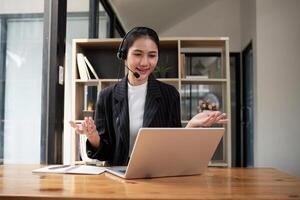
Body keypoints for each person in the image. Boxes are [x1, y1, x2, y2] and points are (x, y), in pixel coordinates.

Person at [70, 27, 227, 166]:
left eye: (152, 55)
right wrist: (94, 137)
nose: (145, 62)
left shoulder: (169, 95)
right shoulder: (107, 96)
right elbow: (104, 153)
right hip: (119, 176)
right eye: (138, 54)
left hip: (157, 175)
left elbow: (173, 147)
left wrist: (192, 124)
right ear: (124, 55)